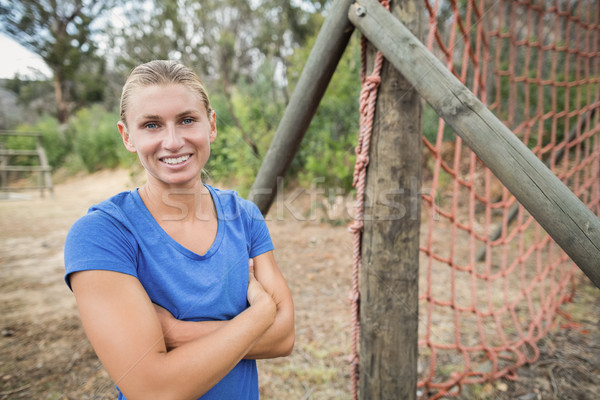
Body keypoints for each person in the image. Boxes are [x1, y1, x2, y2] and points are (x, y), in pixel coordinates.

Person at [64, 60, 295, 400]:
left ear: (211, 125)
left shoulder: (244, 216)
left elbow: (284, 338)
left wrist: (177, 332)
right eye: (152, 125)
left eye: (187, 120)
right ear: (127, 136)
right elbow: (153, 388)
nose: (172, 141)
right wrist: (262, 314)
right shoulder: (102, 235)